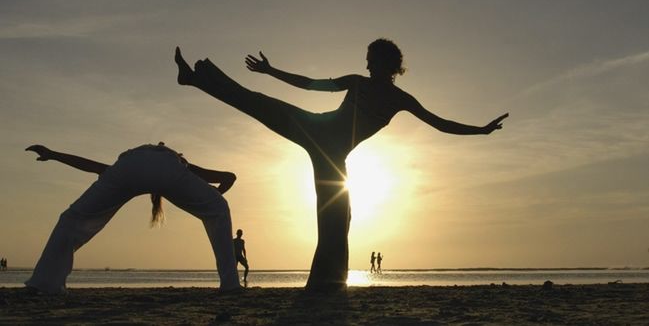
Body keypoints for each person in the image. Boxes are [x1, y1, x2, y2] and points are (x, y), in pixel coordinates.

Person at [175, 38, 508, 291]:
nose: (366, 63)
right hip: (315, 129)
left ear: (388, 64)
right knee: (260, 104)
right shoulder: (358, 82)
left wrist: (481, 130)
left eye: (371, 59)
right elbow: (312, 84)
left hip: (333, 156)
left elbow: (439, 123)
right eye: (366, 59)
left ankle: (328, 282)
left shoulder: (400, 99)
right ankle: (194, 78)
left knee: (340, 217)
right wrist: (270, 70)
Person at [24, 143, 241, 294]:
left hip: (129, 167)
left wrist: (53, 154)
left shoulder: (130, 163)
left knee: (71, 219)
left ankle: (43, 283)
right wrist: (210, 197)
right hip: (169, 169)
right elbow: (228, 177)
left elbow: (92, 166)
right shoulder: (176, 162)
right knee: (219, 210)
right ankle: (230, 285)